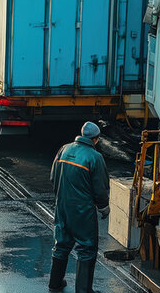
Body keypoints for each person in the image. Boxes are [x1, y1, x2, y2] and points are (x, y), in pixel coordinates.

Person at [48, 121, 110, 293]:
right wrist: (104, 207)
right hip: (83, 212)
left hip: (62, 207)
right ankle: (83, 290)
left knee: (61, 245)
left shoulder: (64, 149)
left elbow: (53, 177)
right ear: (96, 139)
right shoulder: (95, 157)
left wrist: (61, 198)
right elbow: (100, 188)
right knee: (87, 249)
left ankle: (55, 284)